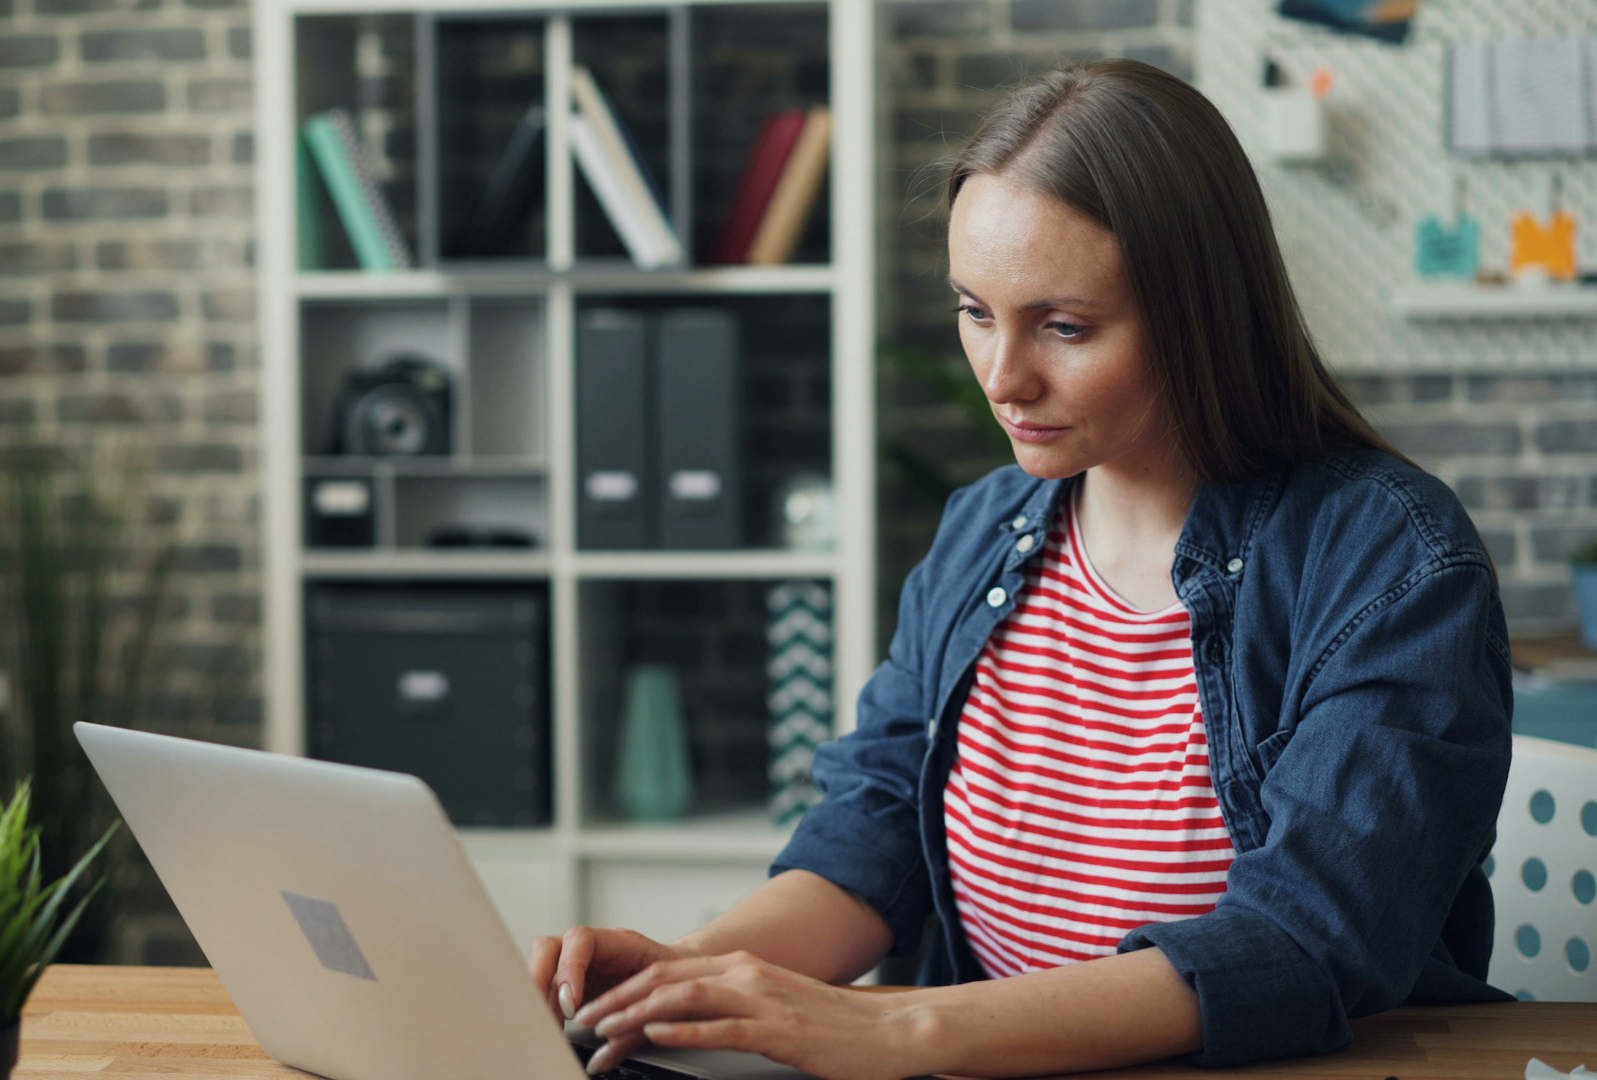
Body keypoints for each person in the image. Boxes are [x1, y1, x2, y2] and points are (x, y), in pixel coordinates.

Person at [528, 58, 1514, 1079]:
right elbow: (875, 832)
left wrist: (900, 1030)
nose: (1004, 377)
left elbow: (1307, 936)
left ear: (1204, 313)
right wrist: (687, 974)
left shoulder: (1388, 560)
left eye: (1064, 326)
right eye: (975, 311)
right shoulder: (984, 531)